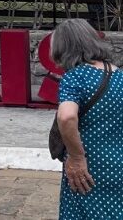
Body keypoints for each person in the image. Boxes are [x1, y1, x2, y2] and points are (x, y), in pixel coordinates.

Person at [51, 18, 122, 218]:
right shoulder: (119, 75)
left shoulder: (75, 77)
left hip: (89, 167)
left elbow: (66, 117)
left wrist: (76, 157)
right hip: (118, 163)